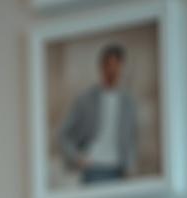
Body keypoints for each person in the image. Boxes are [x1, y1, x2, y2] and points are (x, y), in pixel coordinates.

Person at [57, 43, 137, 184]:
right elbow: (63, 134)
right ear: (101, 67)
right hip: (93, 168)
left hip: (119, 169)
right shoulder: (85, 100)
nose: (112, 70)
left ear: (122, 67)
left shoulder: (128, 102)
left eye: (116, 65)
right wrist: (76, 157)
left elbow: (133, 137)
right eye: (108, 65)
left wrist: (130, 164)